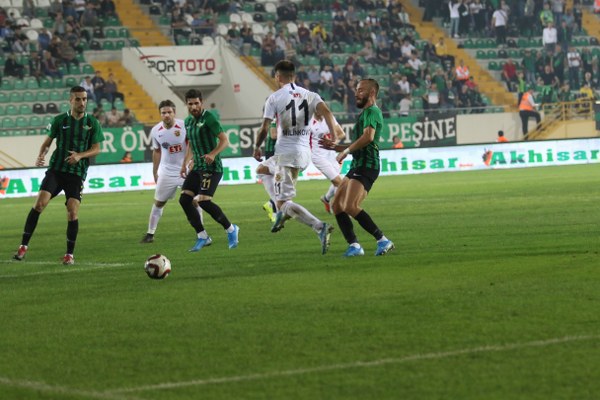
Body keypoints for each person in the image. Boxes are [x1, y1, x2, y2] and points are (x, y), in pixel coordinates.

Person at [13, 86, 104, 265]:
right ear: (70, 100)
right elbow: (47, 142)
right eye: (78, 99)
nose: (82, 102)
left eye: (84, 99)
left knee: (72, 211)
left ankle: (69, 254)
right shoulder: (59, 120)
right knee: (39, 204)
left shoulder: (92, 122)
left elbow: (97, 149)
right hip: (56, 170)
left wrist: (79, 155)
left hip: (76, 174)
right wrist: (42, 154)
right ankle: (23, 246)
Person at [253, 60, 336, 255]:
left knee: (284, 203)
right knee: (262, 170)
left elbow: (265, 128)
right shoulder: (311, 95)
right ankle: (281, 211)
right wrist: (332, 136)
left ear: (277, 76)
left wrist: (256, 146)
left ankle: (318, 226)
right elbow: (327, 112)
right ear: (294, 76)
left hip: (286, 155)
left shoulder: (274, 98)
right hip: (303, 152)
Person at [319, 78, 395, 257]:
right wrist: (335, 147)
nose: (356, 93)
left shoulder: (373, 111)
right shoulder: (365, 114)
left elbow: (368, 137)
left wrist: (345, 151)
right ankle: (354, 245)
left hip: (367, 165)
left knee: (350, 206)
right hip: (357, 164)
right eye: (356, 90)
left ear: (372, 93)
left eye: (361, 90)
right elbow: (359, 143)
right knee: (337, 205)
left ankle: (383, 240)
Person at [141, 100, 208, 244]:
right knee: (159, 202)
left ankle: (201, 232)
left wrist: (192, 161)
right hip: (167, 172)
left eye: (169, 112)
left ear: (174, 113)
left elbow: (193, 144)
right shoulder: (156, 131)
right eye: (163, 113)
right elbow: (157, 151)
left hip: (187, 170)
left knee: (195, 201)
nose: (166, 115)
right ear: (160, 114)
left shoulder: (184, 126)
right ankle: (150, 234)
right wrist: (155, 172)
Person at [179, 89, 239, 252]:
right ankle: (203, 236)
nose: (193, 107)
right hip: (197, 167)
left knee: (204, 201)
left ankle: (231, 229)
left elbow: (225, 140)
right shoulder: (188, 122)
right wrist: (186, 162)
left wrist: (213, 154)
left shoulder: (209, 118)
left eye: (196, 103)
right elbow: (190, 143)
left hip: (212, 168)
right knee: (184, 200)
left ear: (202, 103)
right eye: (190, 104)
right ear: (187, 105)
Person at [310, 111, 346, 214]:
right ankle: (342, 209)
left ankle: (326, 199)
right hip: (319, 157)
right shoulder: (307, 121)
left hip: (330, 154)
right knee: (339, 182)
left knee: (337, 181)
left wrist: (332, 142)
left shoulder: (329, 117)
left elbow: (341, 134)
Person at [257, 120, 278, 223]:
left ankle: (270, 204)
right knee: (278, 183)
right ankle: (274, 212)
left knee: (281, 184)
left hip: (279, 152)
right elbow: (274, 135)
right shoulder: (275, 120)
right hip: (273, 152)